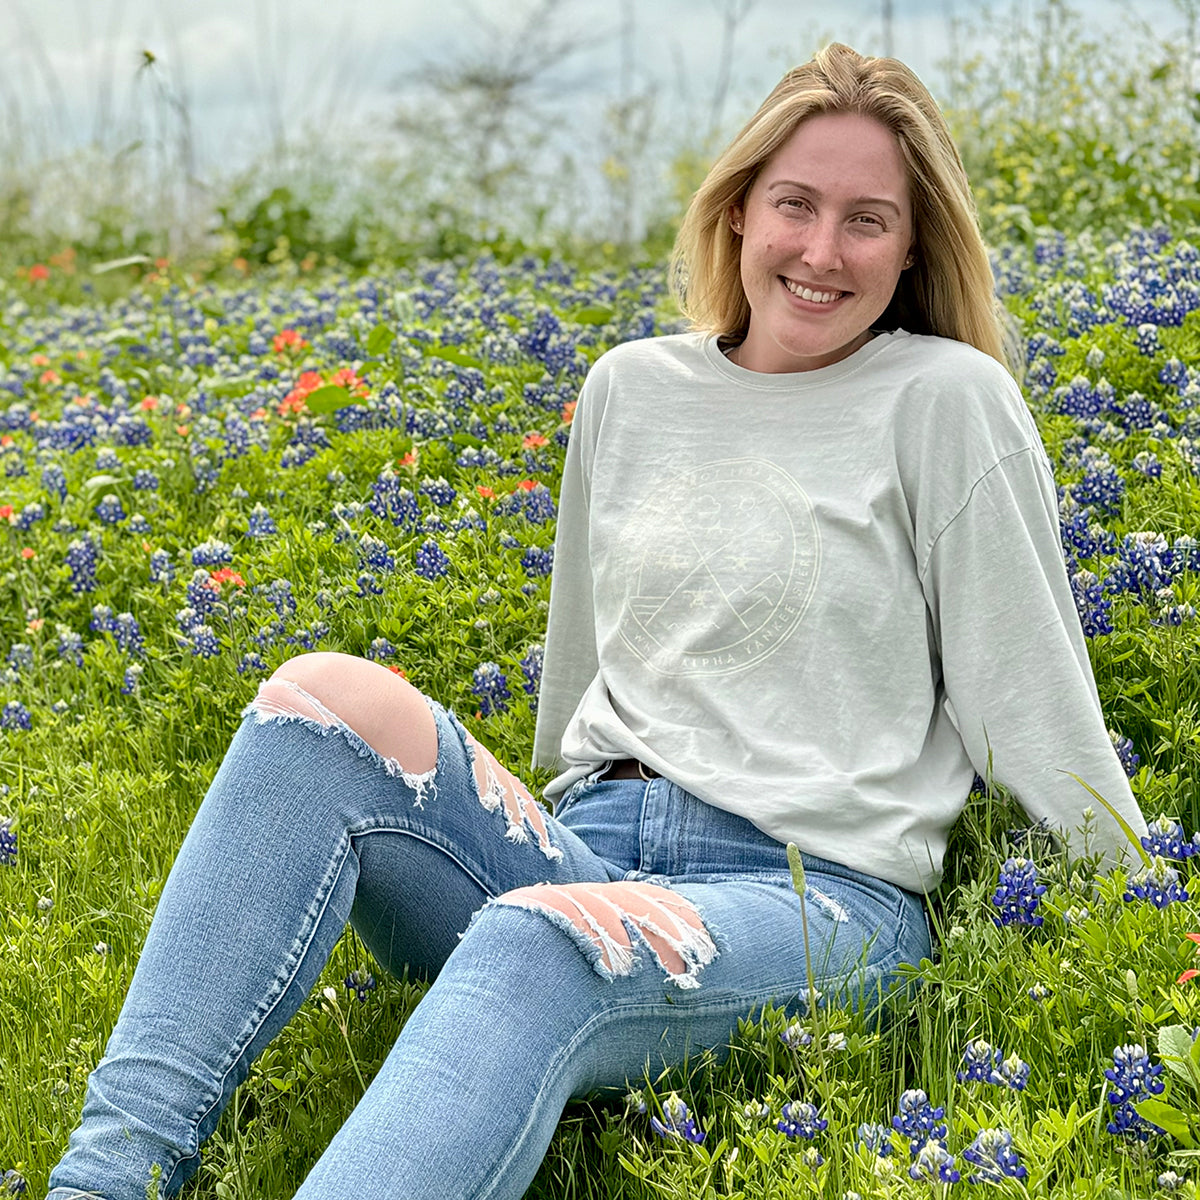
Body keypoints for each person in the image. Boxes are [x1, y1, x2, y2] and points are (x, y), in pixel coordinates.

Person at [47, 41, 1147, 1200]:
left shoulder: (946, 398)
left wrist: (1139, 922)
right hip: (591, 841)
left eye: (867, 219)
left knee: (544, 936)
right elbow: (581, 685)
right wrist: (551, 840)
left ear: (916, 242)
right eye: (794, 205)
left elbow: (1032, 699)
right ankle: (105, 1181)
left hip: (812, 898)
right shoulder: (632, 387)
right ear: (735, 214)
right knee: (315, 700)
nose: (822, 250)